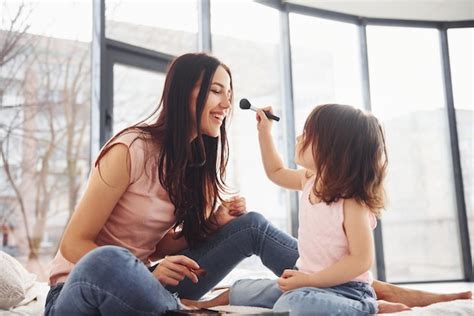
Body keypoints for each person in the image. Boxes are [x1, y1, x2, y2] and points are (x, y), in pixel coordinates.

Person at [44, 53, 471, 316]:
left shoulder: (195, 161)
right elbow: (75, 244)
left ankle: (359, 290)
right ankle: (179, 311)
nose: (227, 104)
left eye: (228, 93)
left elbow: (159, 246)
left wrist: (211, 225)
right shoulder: (130, 149)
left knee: (252, 224)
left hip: (157, 279)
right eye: (215, 91)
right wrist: (149, 272)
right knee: (111, 261)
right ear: (182, 94)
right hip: (87, 287)